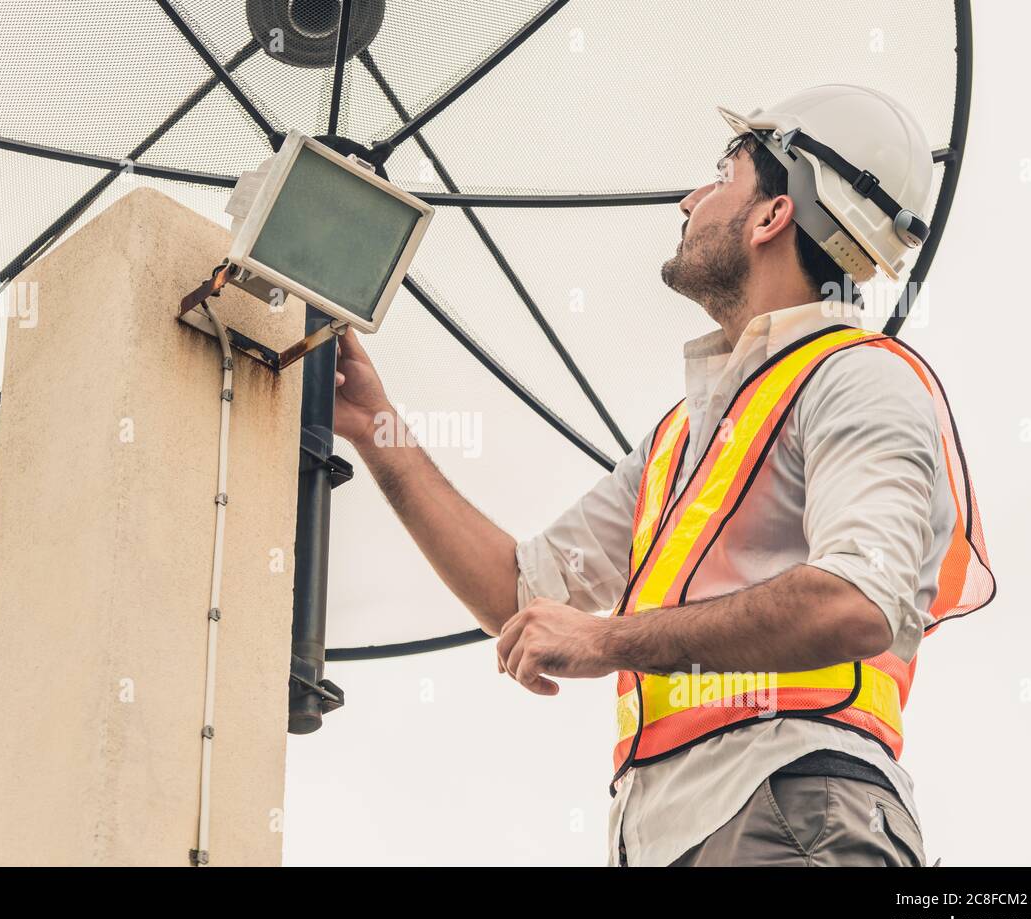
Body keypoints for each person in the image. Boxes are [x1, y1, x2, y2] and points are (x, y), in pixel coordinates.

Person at [331, 85, 993, 866]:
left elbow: (858, 599)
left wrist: (608, 638)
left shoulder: (859, 380)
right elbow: (521, 595)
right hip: (676, 834)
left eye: (721, 173)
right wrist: (375, 425)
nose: (690, 198)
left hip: (791, 801)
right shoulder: (682, 437)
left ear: (772, 215)